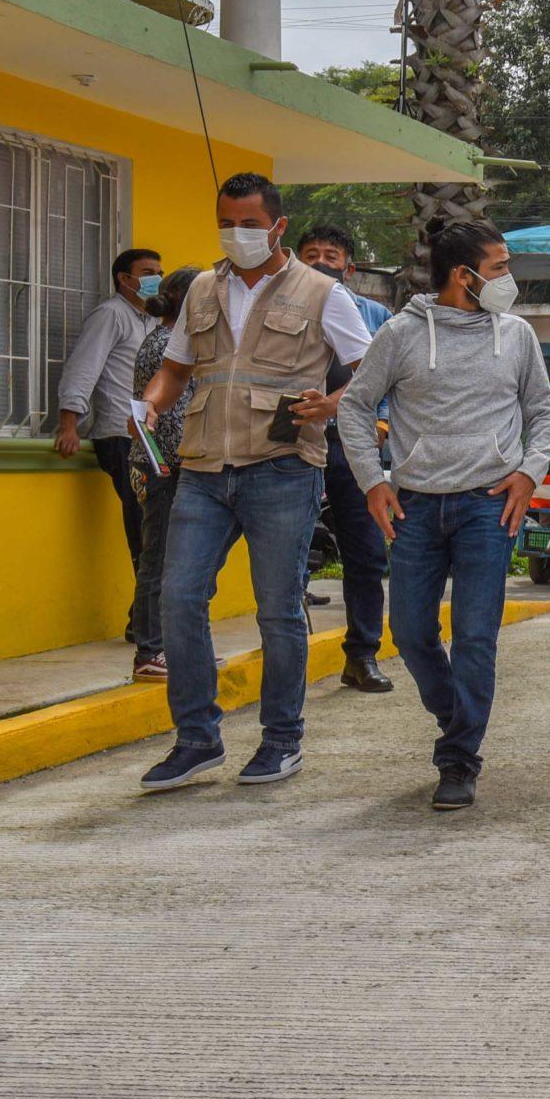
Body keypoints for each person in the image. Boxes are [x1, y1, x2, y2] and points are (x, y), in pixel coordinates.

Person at [132, 173, 374, 792]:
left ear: (277, 226)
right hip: (204, 468)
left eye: (248, 223)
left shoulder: (323, 293)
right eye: (226, 222)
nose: (236, 234)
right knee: (179, 598)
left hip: (283, 468)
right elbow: (176, 368)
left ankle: (281, 739)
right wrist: (150, 404)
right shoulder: (201, 291)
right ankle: (196, 739)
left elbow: (374, 373)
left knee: (277, 609)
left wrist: (333, 404)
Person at [336, 223, 550, 810]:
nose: (509, 277)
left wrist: (528, 473)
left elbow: (544, 414)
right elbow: (356, 408)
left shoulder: (517, 336)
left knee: (475, 636)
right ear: (466, 276)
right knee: (409, 633)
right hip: (413, 507)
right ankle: (459, 716)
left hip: (489, 506)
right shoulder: (401, 335)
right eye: (501, 266)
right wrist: (372, 482)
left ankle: (458, 759)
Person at [296, 222, 395, 693]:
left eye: (330, 255)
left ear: (349, 267)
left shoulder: (378, 314)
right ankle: (288, 655)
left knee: (366, 553)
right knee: (289, 550)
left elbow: (394, 378)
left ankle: (362, 656)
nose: (320, 261)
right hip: (294, 442)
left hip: (354, 445)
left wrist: (381, 424)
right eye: (311, 253)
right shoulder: (284, 307)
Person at [54, 245, 161, 648]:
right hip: (119, 436)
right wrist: (69, 423)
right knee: (144, 525)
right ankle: (146, 622)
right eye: (148, 272)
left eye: (159, 272)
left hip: (149, 439)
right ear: (124, 278)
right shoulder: (111, 315)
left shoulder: (150, 321)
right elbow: (84, 367)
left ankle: (145, 615)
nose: (155, 279)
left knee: (154, 526)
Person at [123, 265, 205, 683]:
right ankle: (150, 650)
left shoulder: (177, 341)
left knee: (175, 561)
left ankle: (173, 646)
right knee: (158, 559)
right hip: (164, 465)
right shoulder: (167, 345)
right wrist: (183, 461)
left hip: (171, 463)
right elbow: (168, 416)